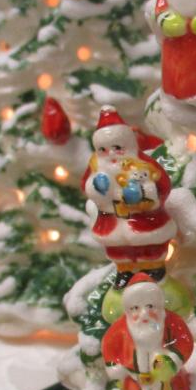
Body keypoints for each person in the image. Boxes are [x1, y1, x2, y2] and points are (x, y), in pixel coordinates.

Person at [82, 106, 177, 284]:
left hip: (143, 218)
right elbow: (85, 186)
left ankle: (153, 267)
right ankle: (124, 271)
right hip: (111, 218)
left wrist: (143, 193)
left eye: (117, 148)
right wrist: (97, 188)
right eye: (103, 149)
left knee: (149, 244)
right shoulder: (96, 168)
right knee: (118, 248)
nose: (111, 154)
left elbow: (163, 186)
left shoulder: (143, 165)